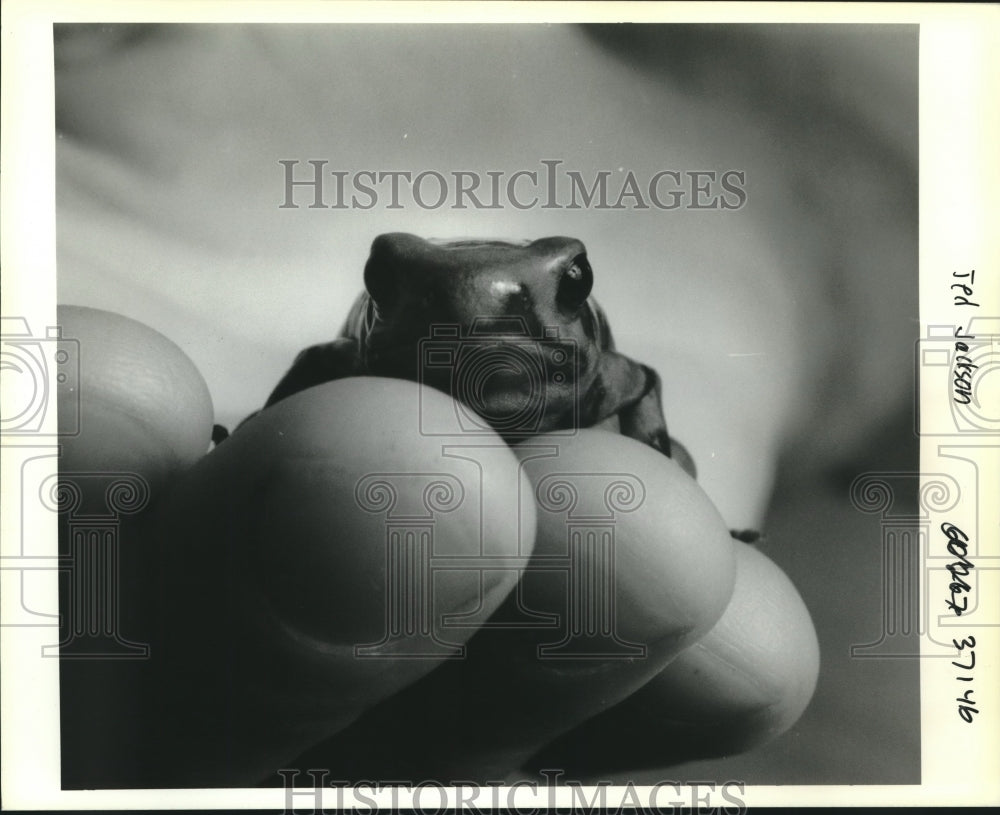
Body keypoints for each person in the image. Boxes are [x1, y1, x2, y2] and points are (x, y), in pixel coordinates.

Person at [52, 22, 916, 788]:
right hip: (391, 448)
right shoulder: (364, 358)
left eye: (565, 283)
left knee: (659, 562)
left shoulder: (592, 371)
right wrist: (252, 432)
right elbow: (324, 361)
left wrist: (677, 468)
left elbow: (637, 384)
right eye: (399, 283)